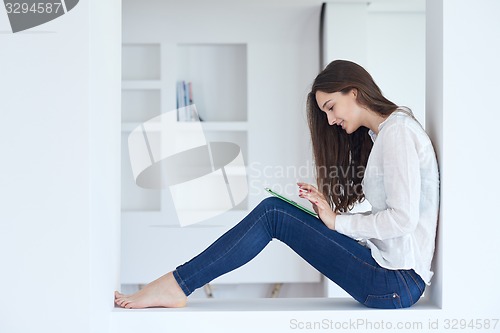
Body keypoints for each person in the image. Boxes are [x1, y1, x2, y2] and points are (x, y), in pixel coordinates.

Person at [114, 60, 439, 309]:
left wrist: (338, 222)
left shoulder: (397, 133)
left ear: (353, 91)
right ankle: (178, 284)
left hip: (395, 282)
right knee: (276, 212)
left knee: (273, 215)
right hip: (392, 275)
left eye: (330, 107)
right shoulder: (384, 135)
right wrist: (328, 214)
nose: (330, 120)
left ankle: (177, 285)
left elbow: (403, 219)